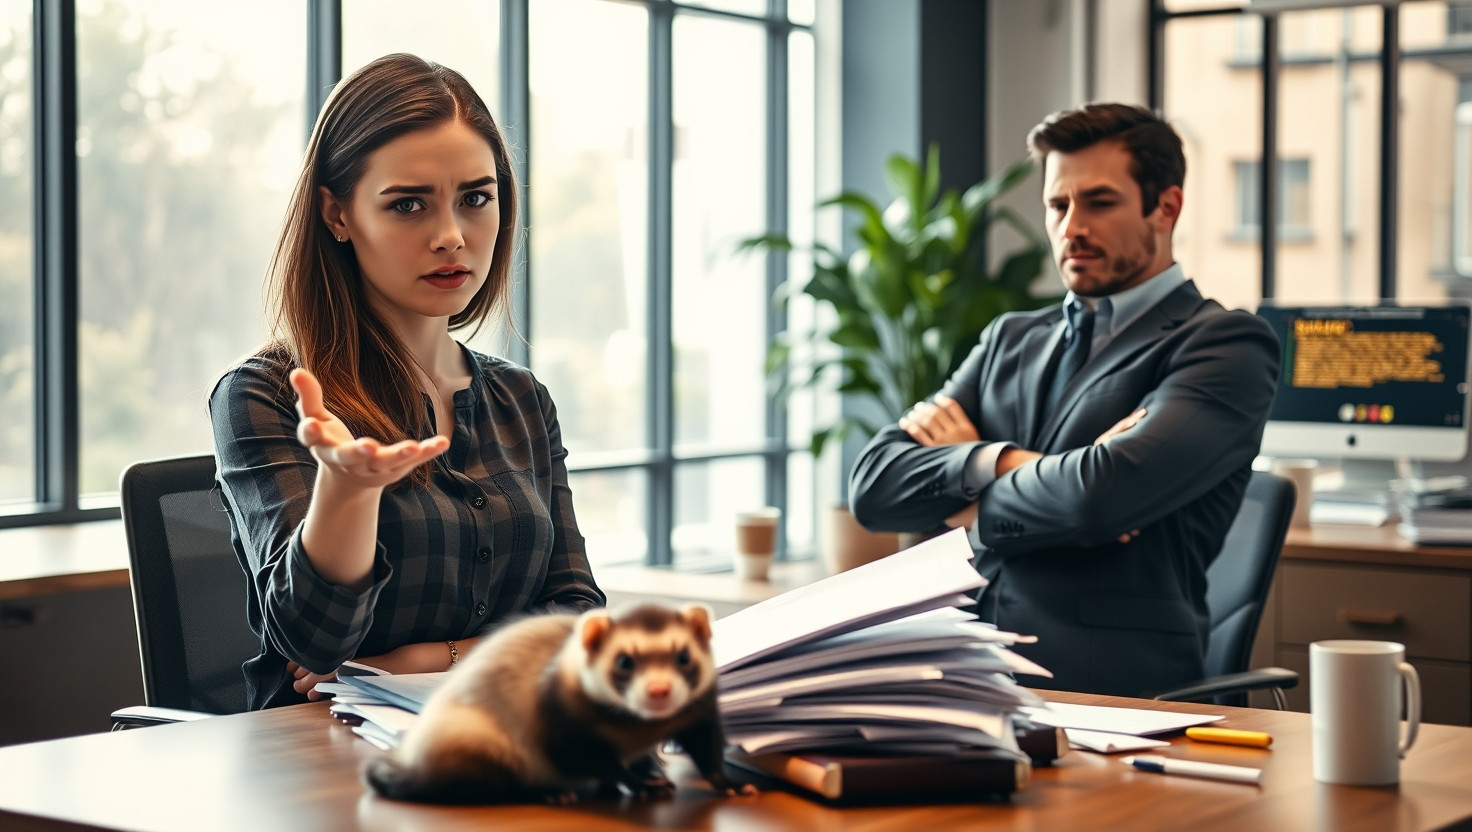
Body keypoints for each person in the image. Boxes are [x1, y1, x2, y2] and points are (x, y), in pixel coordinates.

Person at [210, 54, 604, 710]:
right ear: (338, 214)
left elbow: (580, 617)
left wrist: (434, 661)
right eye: (408, 205)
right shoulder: (268, 395)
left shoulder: (521, 399)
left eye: (475, 198)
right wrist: (347, 492)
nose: (451, 236)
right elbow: (314, 645)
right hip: (321, 754)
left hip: (498, 736)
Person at [849, 103, 1280, 697]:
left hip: (1108, 693)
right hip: (953, 677)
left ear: (1166, 207)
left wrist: (967, 496)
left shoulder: (1225, 345)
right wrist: (1002, 462)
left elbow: (1098, 499)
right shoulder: (1009, 339)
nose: (1072, 227)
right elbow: (874, 486)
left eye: (1099, 203)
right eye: (1058, 205)